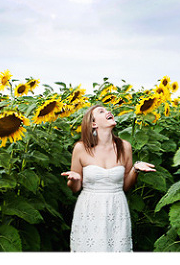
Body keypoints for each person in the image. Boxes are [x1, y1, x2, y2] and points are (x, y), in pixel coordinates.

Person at [61, 104, 156, 252]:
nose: (108, 111)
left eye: (107, 110)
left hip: (117, 207)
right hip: (89, 209)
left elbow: (126, 186)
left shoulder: (125, 147)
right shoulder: (81, 148)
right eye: (101, 111)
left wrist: (135, 170)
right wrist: (74, 180)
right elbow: (75, 188)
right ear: (93, 124)